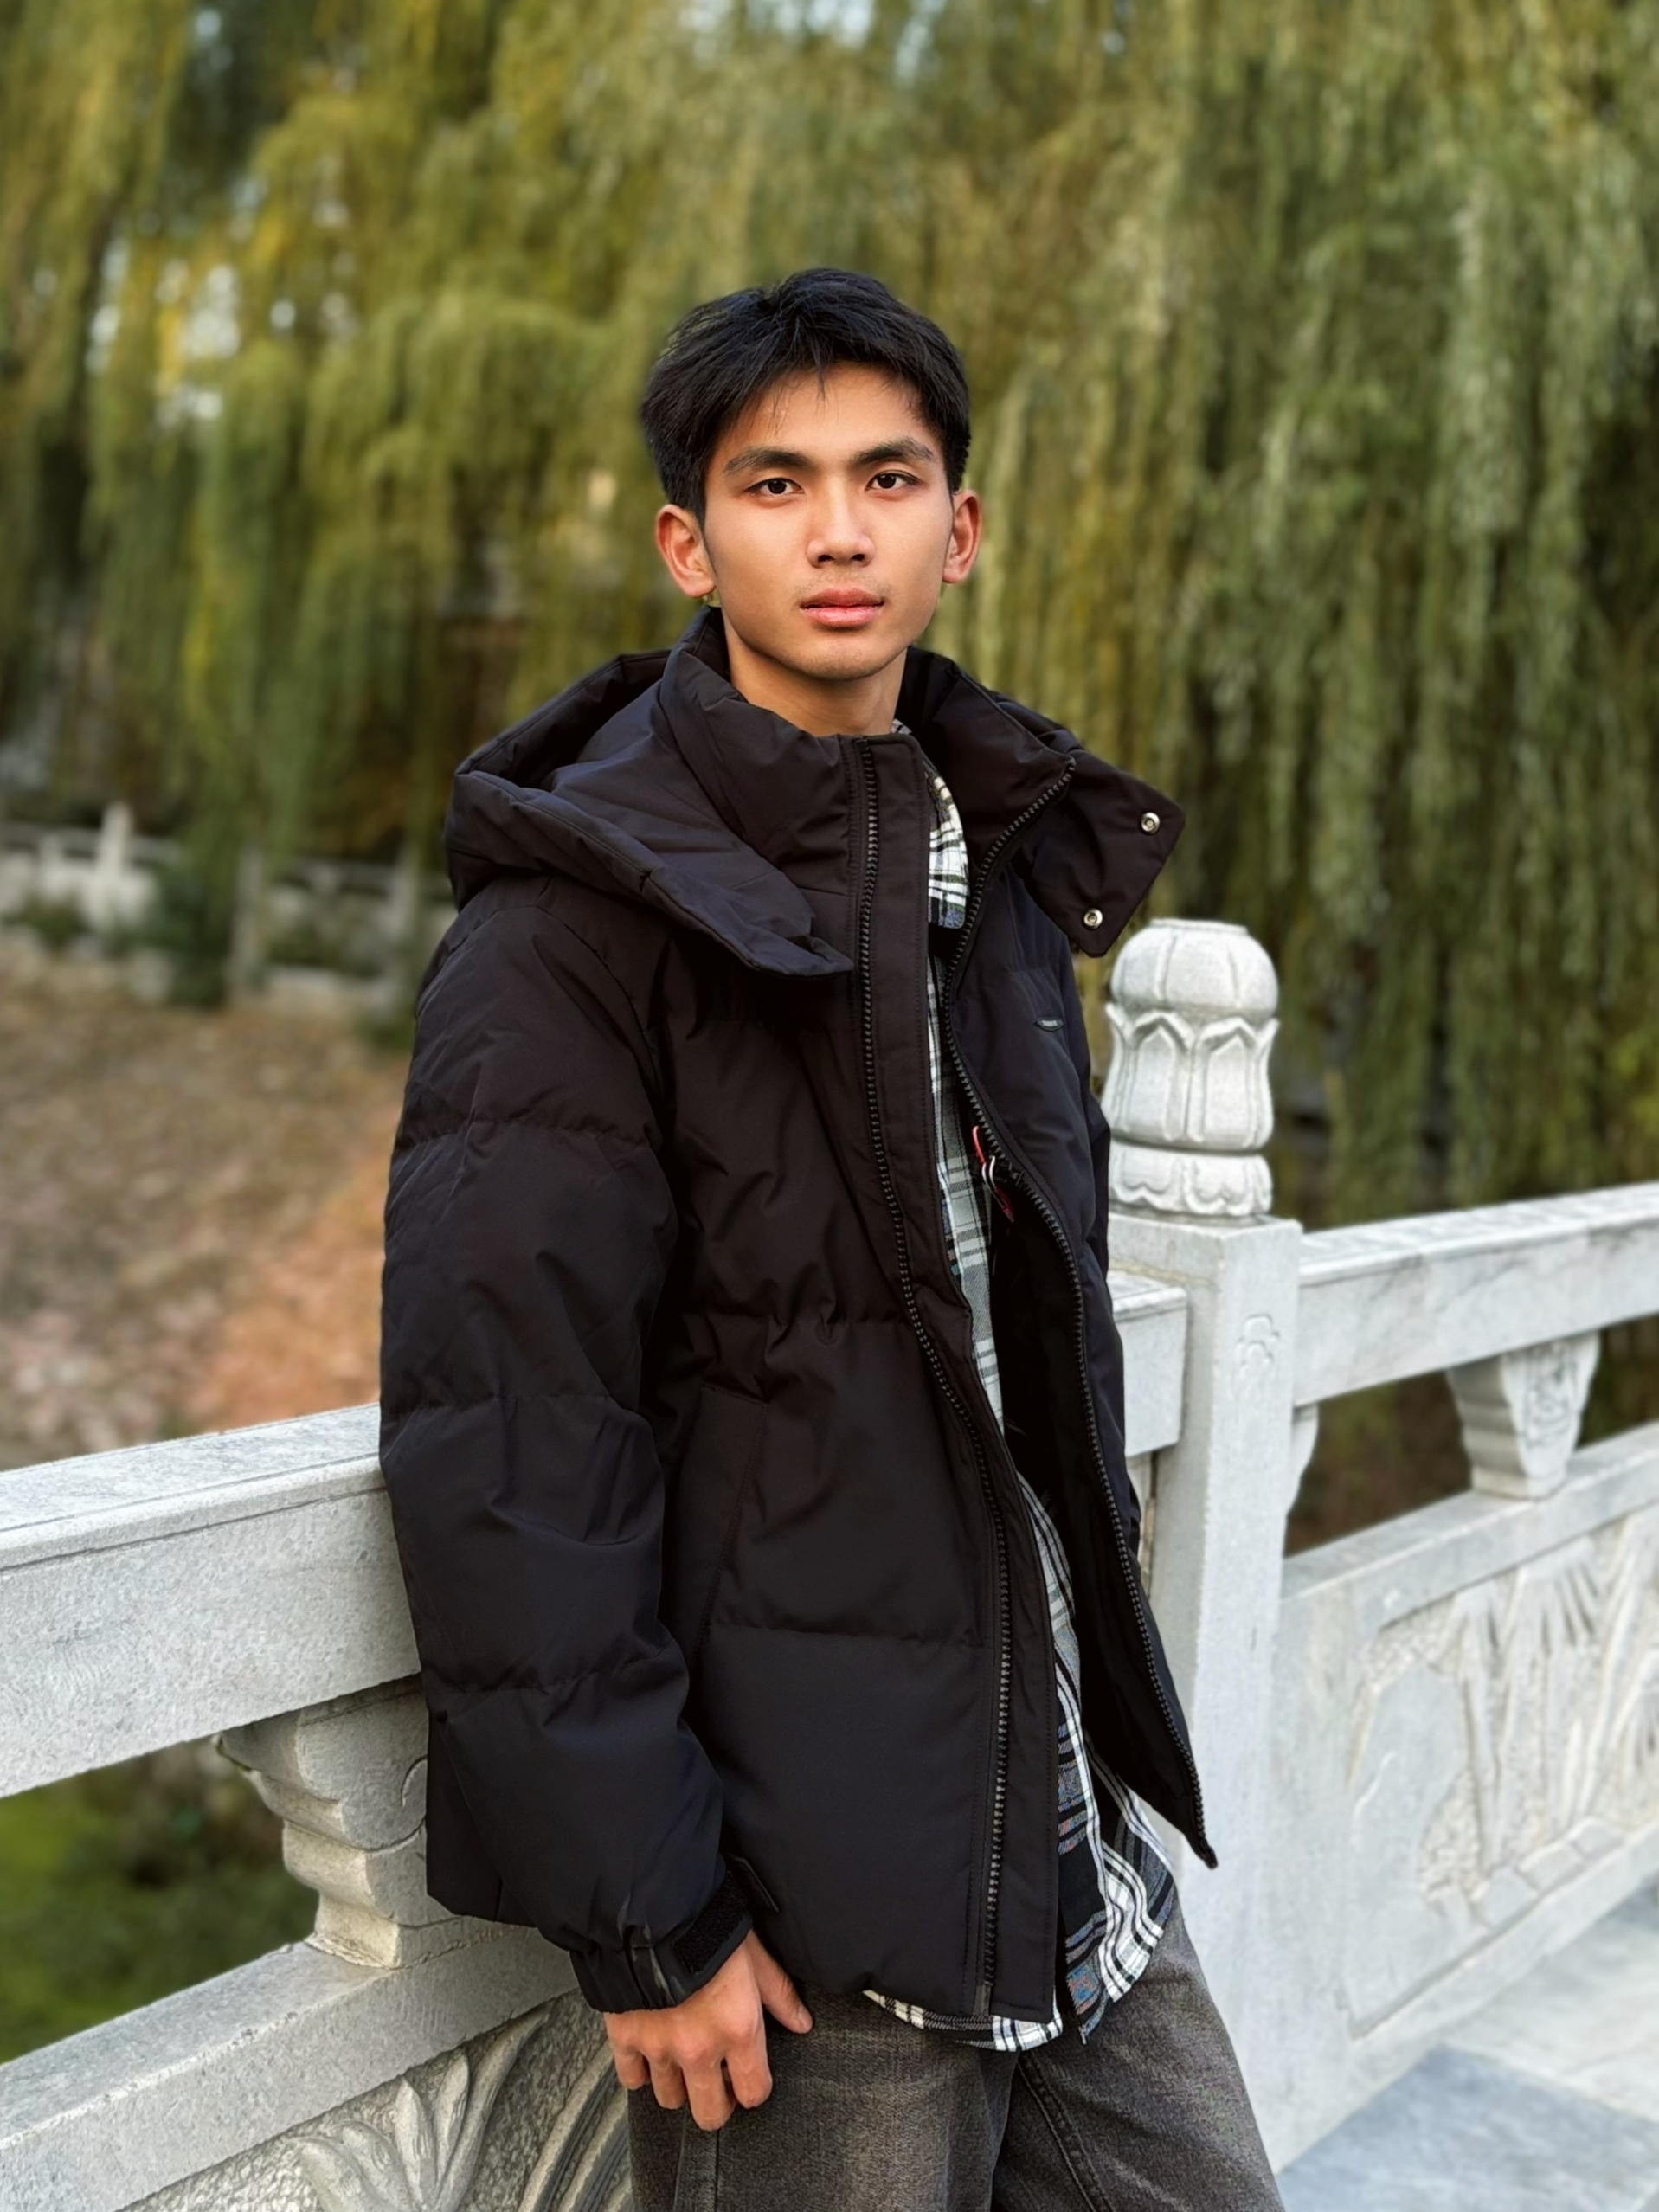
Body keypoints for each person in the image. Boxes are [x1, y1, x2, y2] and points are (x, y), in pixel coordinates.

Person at [378, 267, 1283, 2211]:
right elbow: (512, 1435)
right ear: (687, 543)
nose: (839, 531)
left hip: (1065, 1837)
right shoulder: (569, 933)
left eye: (886, 478)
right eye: (774, 484)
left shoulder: (998, 870)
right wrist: (647, 1915)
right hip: (811, 1916)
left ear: (959, 528)